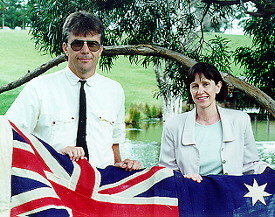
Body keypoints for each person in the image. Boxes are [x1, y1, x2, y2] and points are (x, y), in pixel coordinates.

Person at [6, 11, 142, 171]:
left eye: (92, 44)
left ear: (100, 49)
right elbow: (9, 138)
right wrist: (55, 153)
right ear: (65, 48)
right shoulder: (39, 89)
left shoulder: (115, 91)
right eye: (77, 44)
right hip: (54, 184)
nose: (85, 50)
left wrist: (121, 164)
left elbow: (114, 144)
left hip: (99, 187)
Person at [159, 62, 269, 183]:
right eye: (195, 86)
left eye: (205, 84)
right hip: (191, 195)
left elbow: (251, 165)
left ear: (218, 87)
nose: (200, 91)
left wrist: (269, 172)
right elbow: (166, 171)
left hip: (230, 196)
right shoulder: (173, 125)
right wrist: (184, 179)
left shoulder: (240, 120)